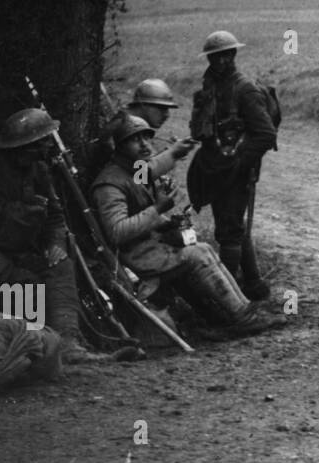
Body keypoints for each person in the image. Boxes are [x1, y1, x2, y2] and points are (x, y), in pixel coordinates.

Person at [0, 109, 106, 364]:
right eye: (40, 146)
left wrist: (55, 244)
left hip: (17, 251)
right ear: (21, 147)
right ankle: (28, 348)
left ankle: (68, 343)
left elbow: (55, 216)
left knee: (61, 267)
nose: (46, 151)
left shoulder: (37, 170)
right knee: (27, 284)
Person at [91, 115, 278, 336]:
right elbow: (116, 232)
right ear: (119, 147)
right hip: (133, 256)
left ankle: (243, 308)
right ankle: (239, 316)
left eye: (146, 137)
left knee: (204, 248)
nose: (144, 144)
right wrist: (158, 209)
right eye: (134, 140)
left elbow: (142, 198)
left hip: (149, 245)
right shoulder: (109, 183)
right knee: (197, 255)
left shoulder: (136, 169)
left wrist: (166, 221)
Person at [186, 31, 275, 300]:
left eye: (227, 55)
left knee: (229, 231)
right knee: (231, 225)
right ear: (210, 58)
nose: (222, 60)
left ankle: (228, 299)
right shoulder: (211, 85)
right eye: (216, 56)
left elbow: (266, 134)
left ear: (234, 55)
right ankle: (254, 285)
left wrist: (240, 163)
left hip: (236, 171)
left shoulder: (244, 88)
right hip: (216, 167)